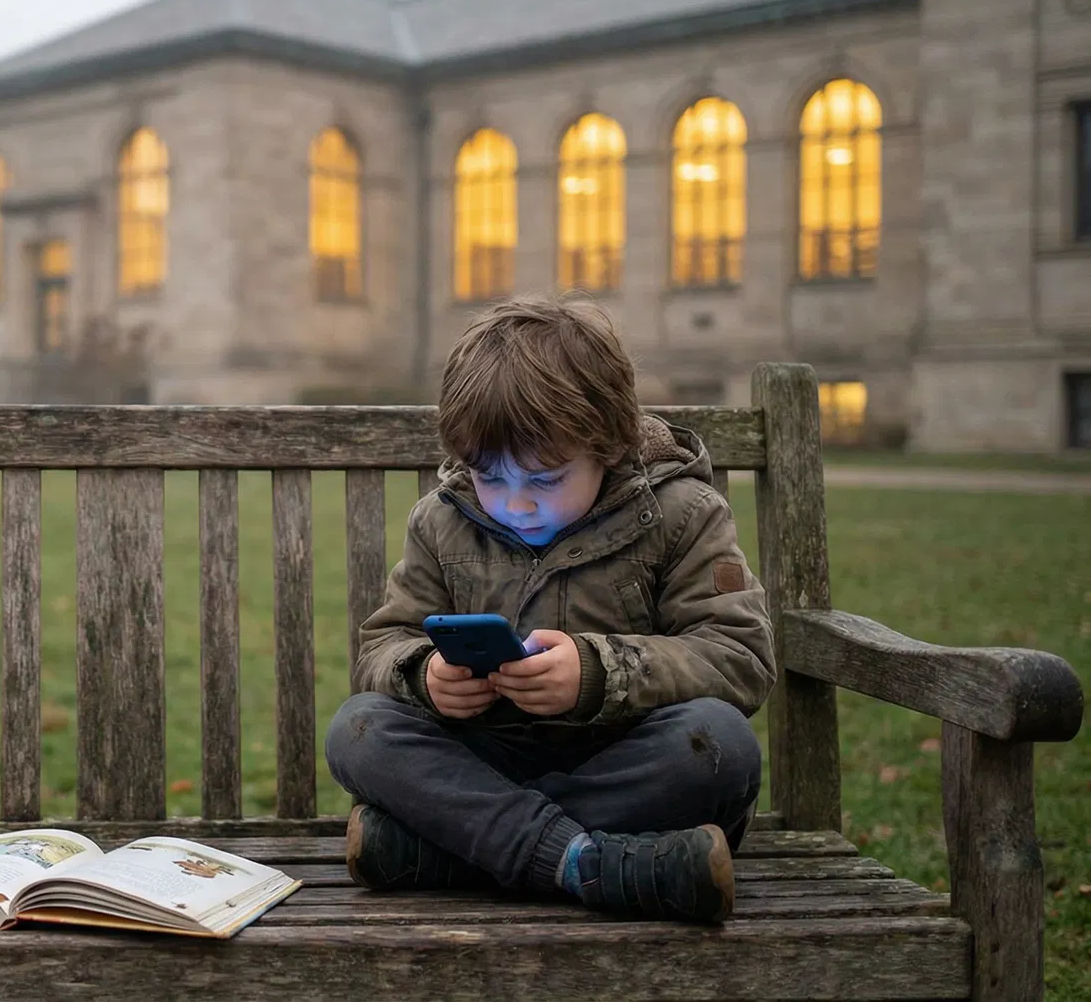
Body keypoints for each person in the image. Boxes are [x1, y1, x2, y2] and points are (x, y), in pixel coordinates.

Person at [324, 294, 774, 925]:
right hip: (487, 758)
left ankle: (449, 851)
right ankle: (589, 861)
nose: (516, 505)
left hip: (623, 761)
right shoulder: (442, 519)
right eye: (490, 477)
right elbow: (384, 645)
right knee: (359, 729)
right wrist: (423, 676)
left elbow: (738, 659)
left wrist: (599, 671)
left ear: (609, 445)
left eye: (544, 480)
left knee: (719, 743)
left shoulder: (683, 514)